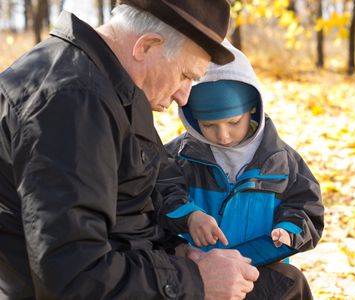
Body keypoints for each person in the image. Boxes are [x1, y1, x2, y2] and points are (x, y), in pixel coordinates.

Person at [0, 1, 260, 299]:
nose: (184, 97)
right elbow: (74, 278)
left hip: (135, 271)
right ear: (146, 45)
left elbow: (132, 209)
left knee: (284, 282)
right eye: (186, 76)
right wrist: (196, 280)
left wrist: (181, 252)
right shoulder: (72, 104)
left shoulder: (112, 86)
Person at [165, 40, 325, 299]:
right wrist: (189, 215)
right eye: (209, 125)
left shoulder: (281, 161)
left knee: (292, 284)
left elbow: (307, 208)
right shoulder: (177, 157)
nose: (223, 135)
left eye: (233, 122)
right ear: (192, 117)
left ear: (253, 108)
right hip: (198, 272)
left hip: (259, 266)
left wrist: (288, 230)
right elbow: (160, 195)